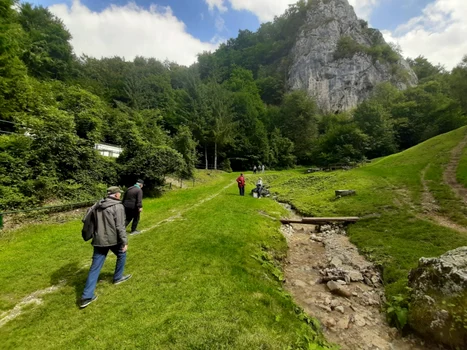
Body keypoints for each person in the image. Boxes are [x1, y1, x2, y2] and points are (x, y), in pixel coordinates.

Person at [80, 186, 131, 309]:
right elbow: (120, 226)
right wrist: (124, 241)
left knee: (95, 267)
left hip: (98, 239)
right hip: (112, 239)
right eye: (119, 193)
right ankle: (118, 278)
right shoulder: (118, 206)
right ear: (116, 194)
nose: (120, 195)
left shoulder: (98, 204)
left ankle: (86, 297)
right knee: (122, 254)